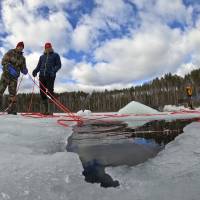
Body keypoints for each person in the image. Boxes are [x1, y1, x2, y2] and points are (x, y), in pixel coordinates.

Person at [32, 42, 61, 115]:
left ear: (51, 48)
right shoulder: (42, 57)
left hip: (50, 76)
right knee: (42, 93)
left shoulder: (55, 55)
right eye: (46, 47)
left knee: (50, 92)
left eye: (49, 47)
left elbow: (59, 65)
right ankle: (45, 110)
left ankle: (50, 111)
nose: (48, 49)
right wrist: (35, 71)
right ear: (45, 48)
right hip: (42, 76)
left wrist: (53, 71)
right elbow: (39, 66)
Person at [0, 41, 28, 115]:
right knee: (0, 90)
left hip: (14, 78)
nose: (20, 48)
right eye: (19, 46)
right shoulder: (10, 52)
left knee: (12, 94)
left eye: (22, 47)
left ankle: (11, 110)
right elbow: (3, 62)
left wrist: (24, 70)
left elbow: (23, 68)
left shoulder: (23, 58)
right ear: (17, 46)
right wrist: (9, 67)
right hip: (6, 75)